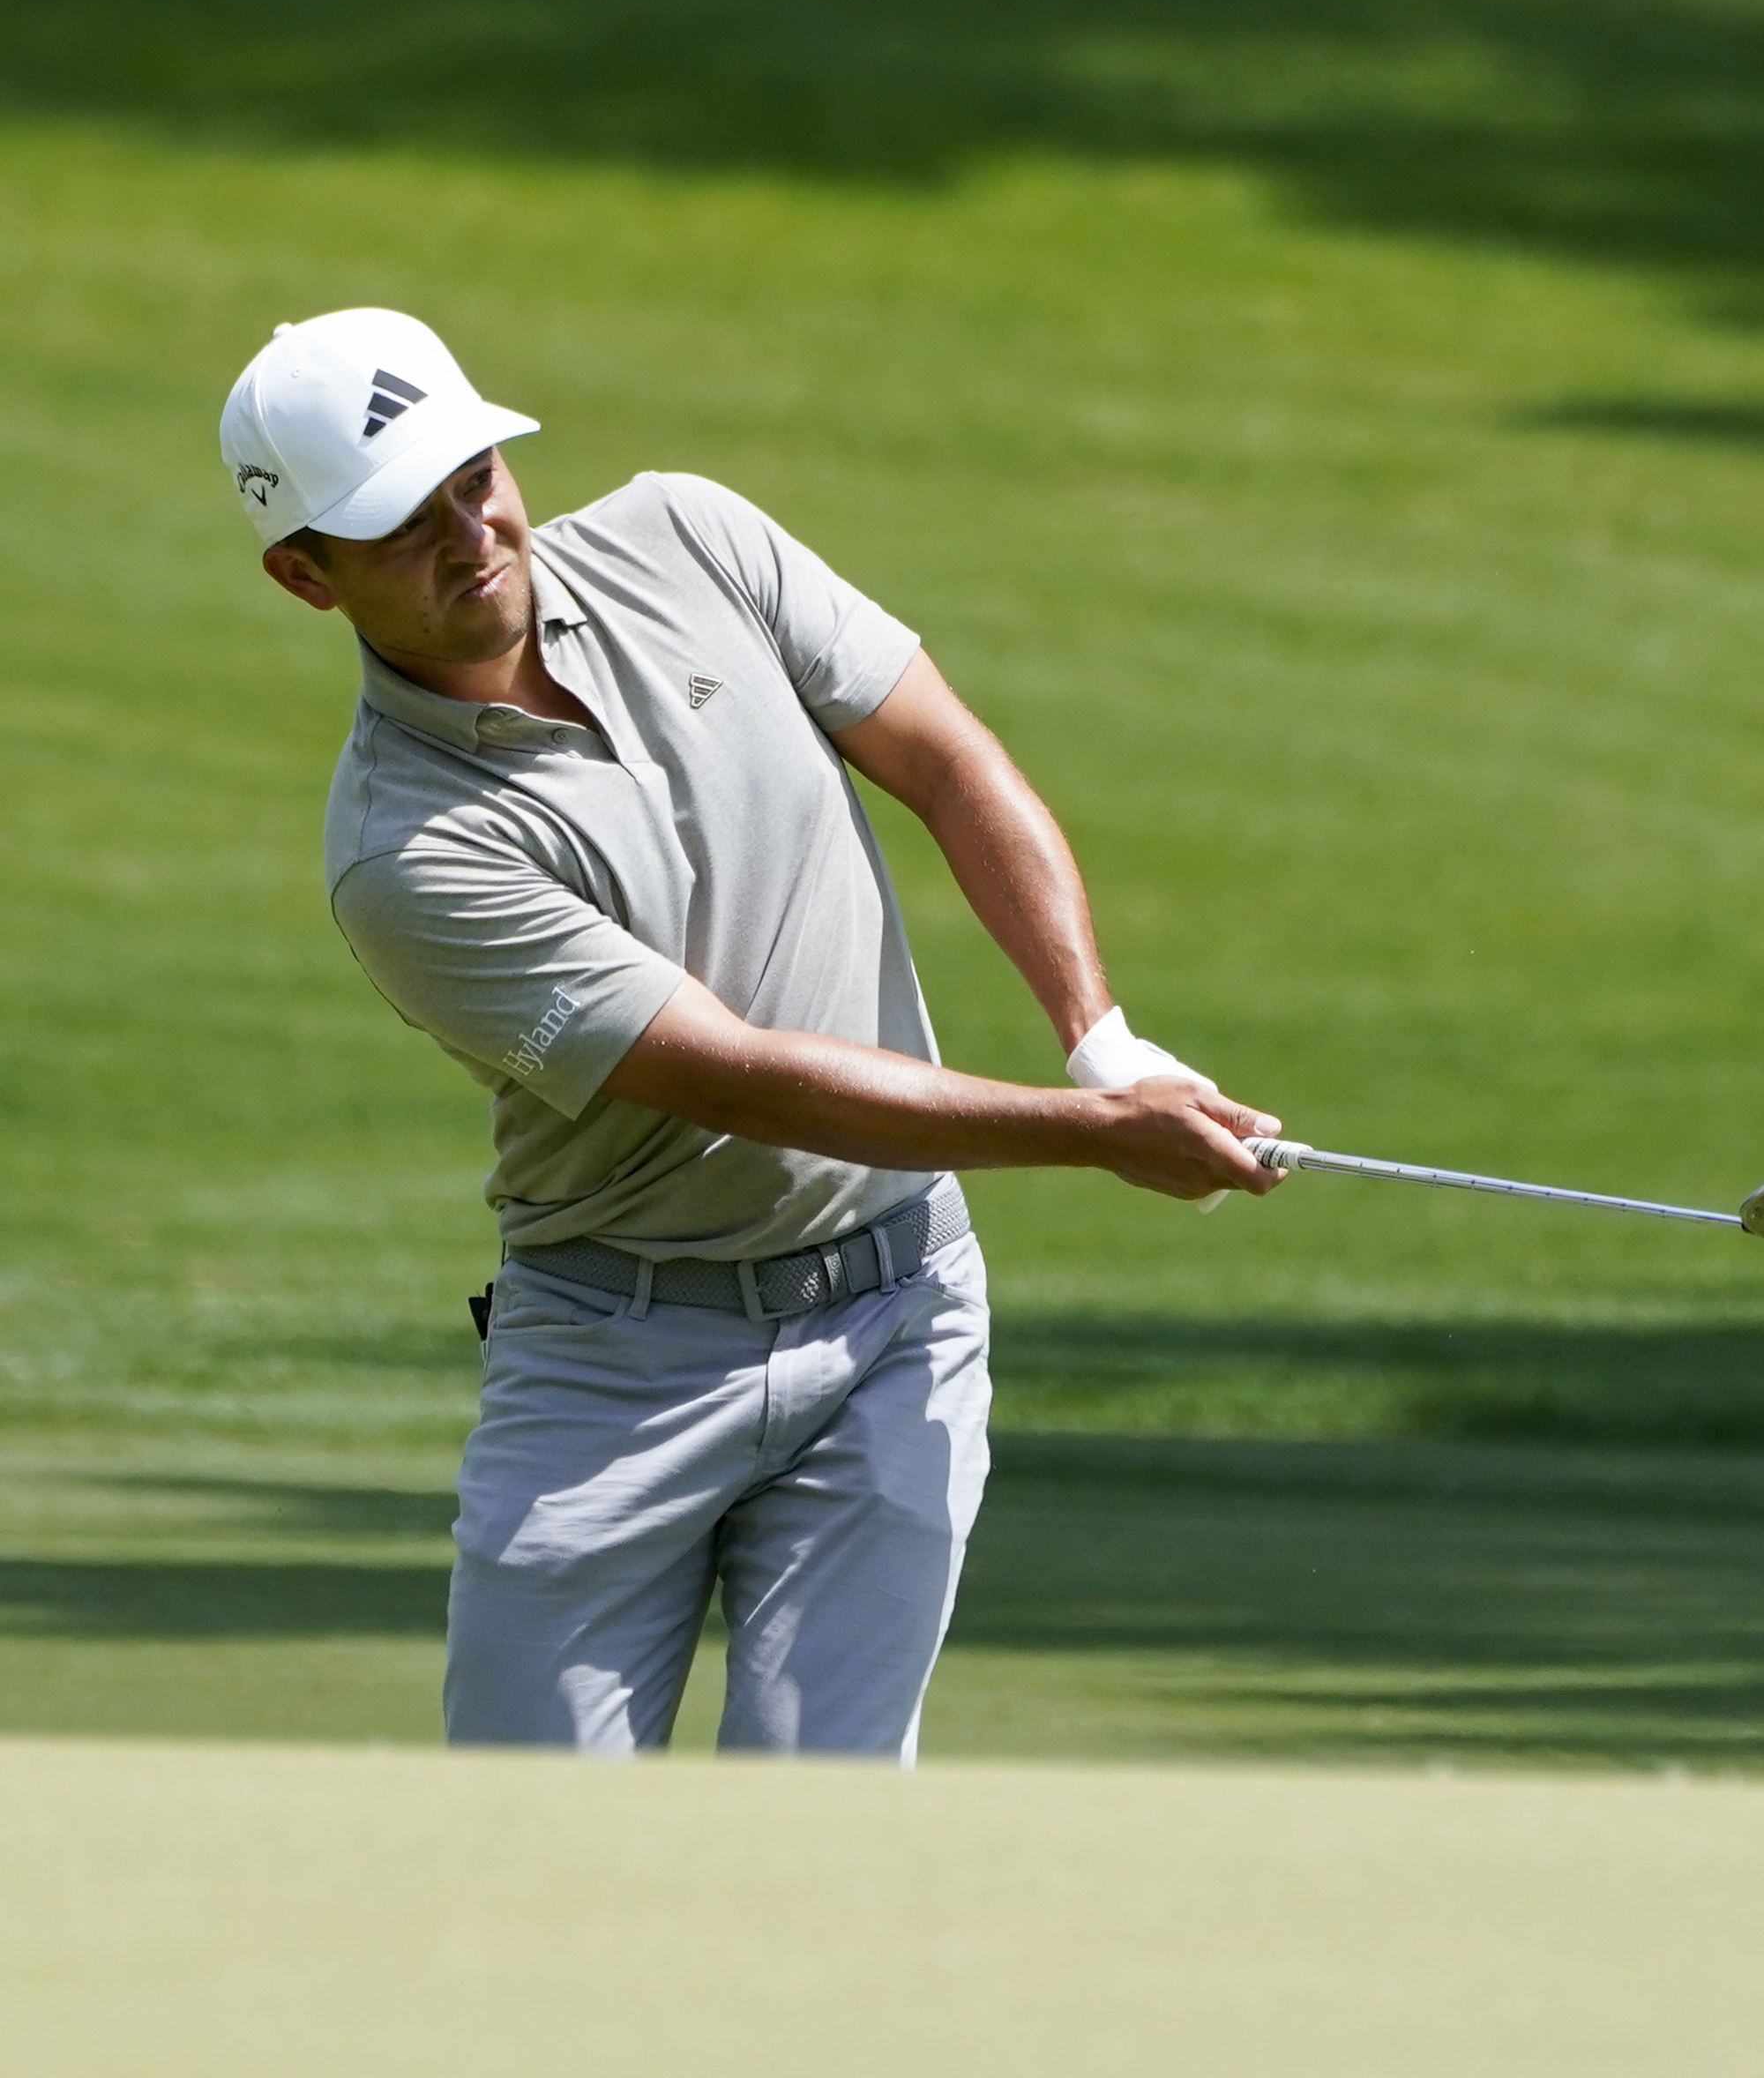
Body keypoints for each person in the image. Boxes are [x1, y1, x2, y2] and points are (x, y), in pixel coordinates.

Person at [220, 306, 1281, 1760]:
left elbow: (949, 761)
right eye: (404, 523)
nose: (471, 533)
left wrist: (1101, 1040)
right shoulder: (405, 856)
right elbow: (743, 1078)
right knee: (533, 1866)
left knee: (816, 1839)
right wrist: (1093, 1138)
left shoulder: (688, 537)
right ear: (303, 575)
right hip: (616, 1361)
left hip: (898, 1316)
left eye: (477, 476)